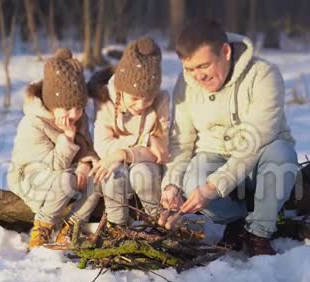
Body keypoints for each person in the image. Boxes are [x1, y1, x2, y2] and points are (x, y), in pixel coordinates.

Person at [160, 18, 299, 256]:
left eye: (204, 66)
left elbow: (256, 140)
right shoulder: (186, 83)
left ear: (225, 51)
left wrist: (214, 187)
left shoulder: (263, 75)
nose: (197, 77)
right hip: (214, 155)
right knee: (192, 181)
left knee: (282, 154)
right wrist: (171, 184)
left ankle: (259, 233)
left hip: (260, 159)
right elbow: (181, 141)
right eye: (190, 69)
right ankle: (236, 221)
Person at [7, 49, 100, 249]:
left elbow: (87, 147)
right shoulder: (32, 123)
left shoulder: (78, 117)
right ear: (51, 104)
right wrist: (67, 137)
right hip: (33, 177)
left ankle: (72, 225)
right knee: (65, 179)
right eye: (67, 109)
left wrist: (85, 164)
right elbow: (52, 166)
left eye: (79, 107)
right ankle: (43, 227)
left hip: (67, 177)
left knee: (99, 176)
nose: (75, 114)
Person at [90, 37, 170, 226]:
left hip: (146, 166)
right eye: (134, 98)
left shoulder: (162, 101)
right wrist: (146, 140)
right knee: (111, 174)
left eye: (148, 98)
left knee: (143, 172)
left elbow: (162, 149)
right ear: (121, 89)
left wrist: (124, 152)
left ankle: (157, 220)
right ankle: (117, 225)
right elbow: (102, 146)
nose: (142, 105)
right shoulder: (105, 100)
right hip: (116, 165)